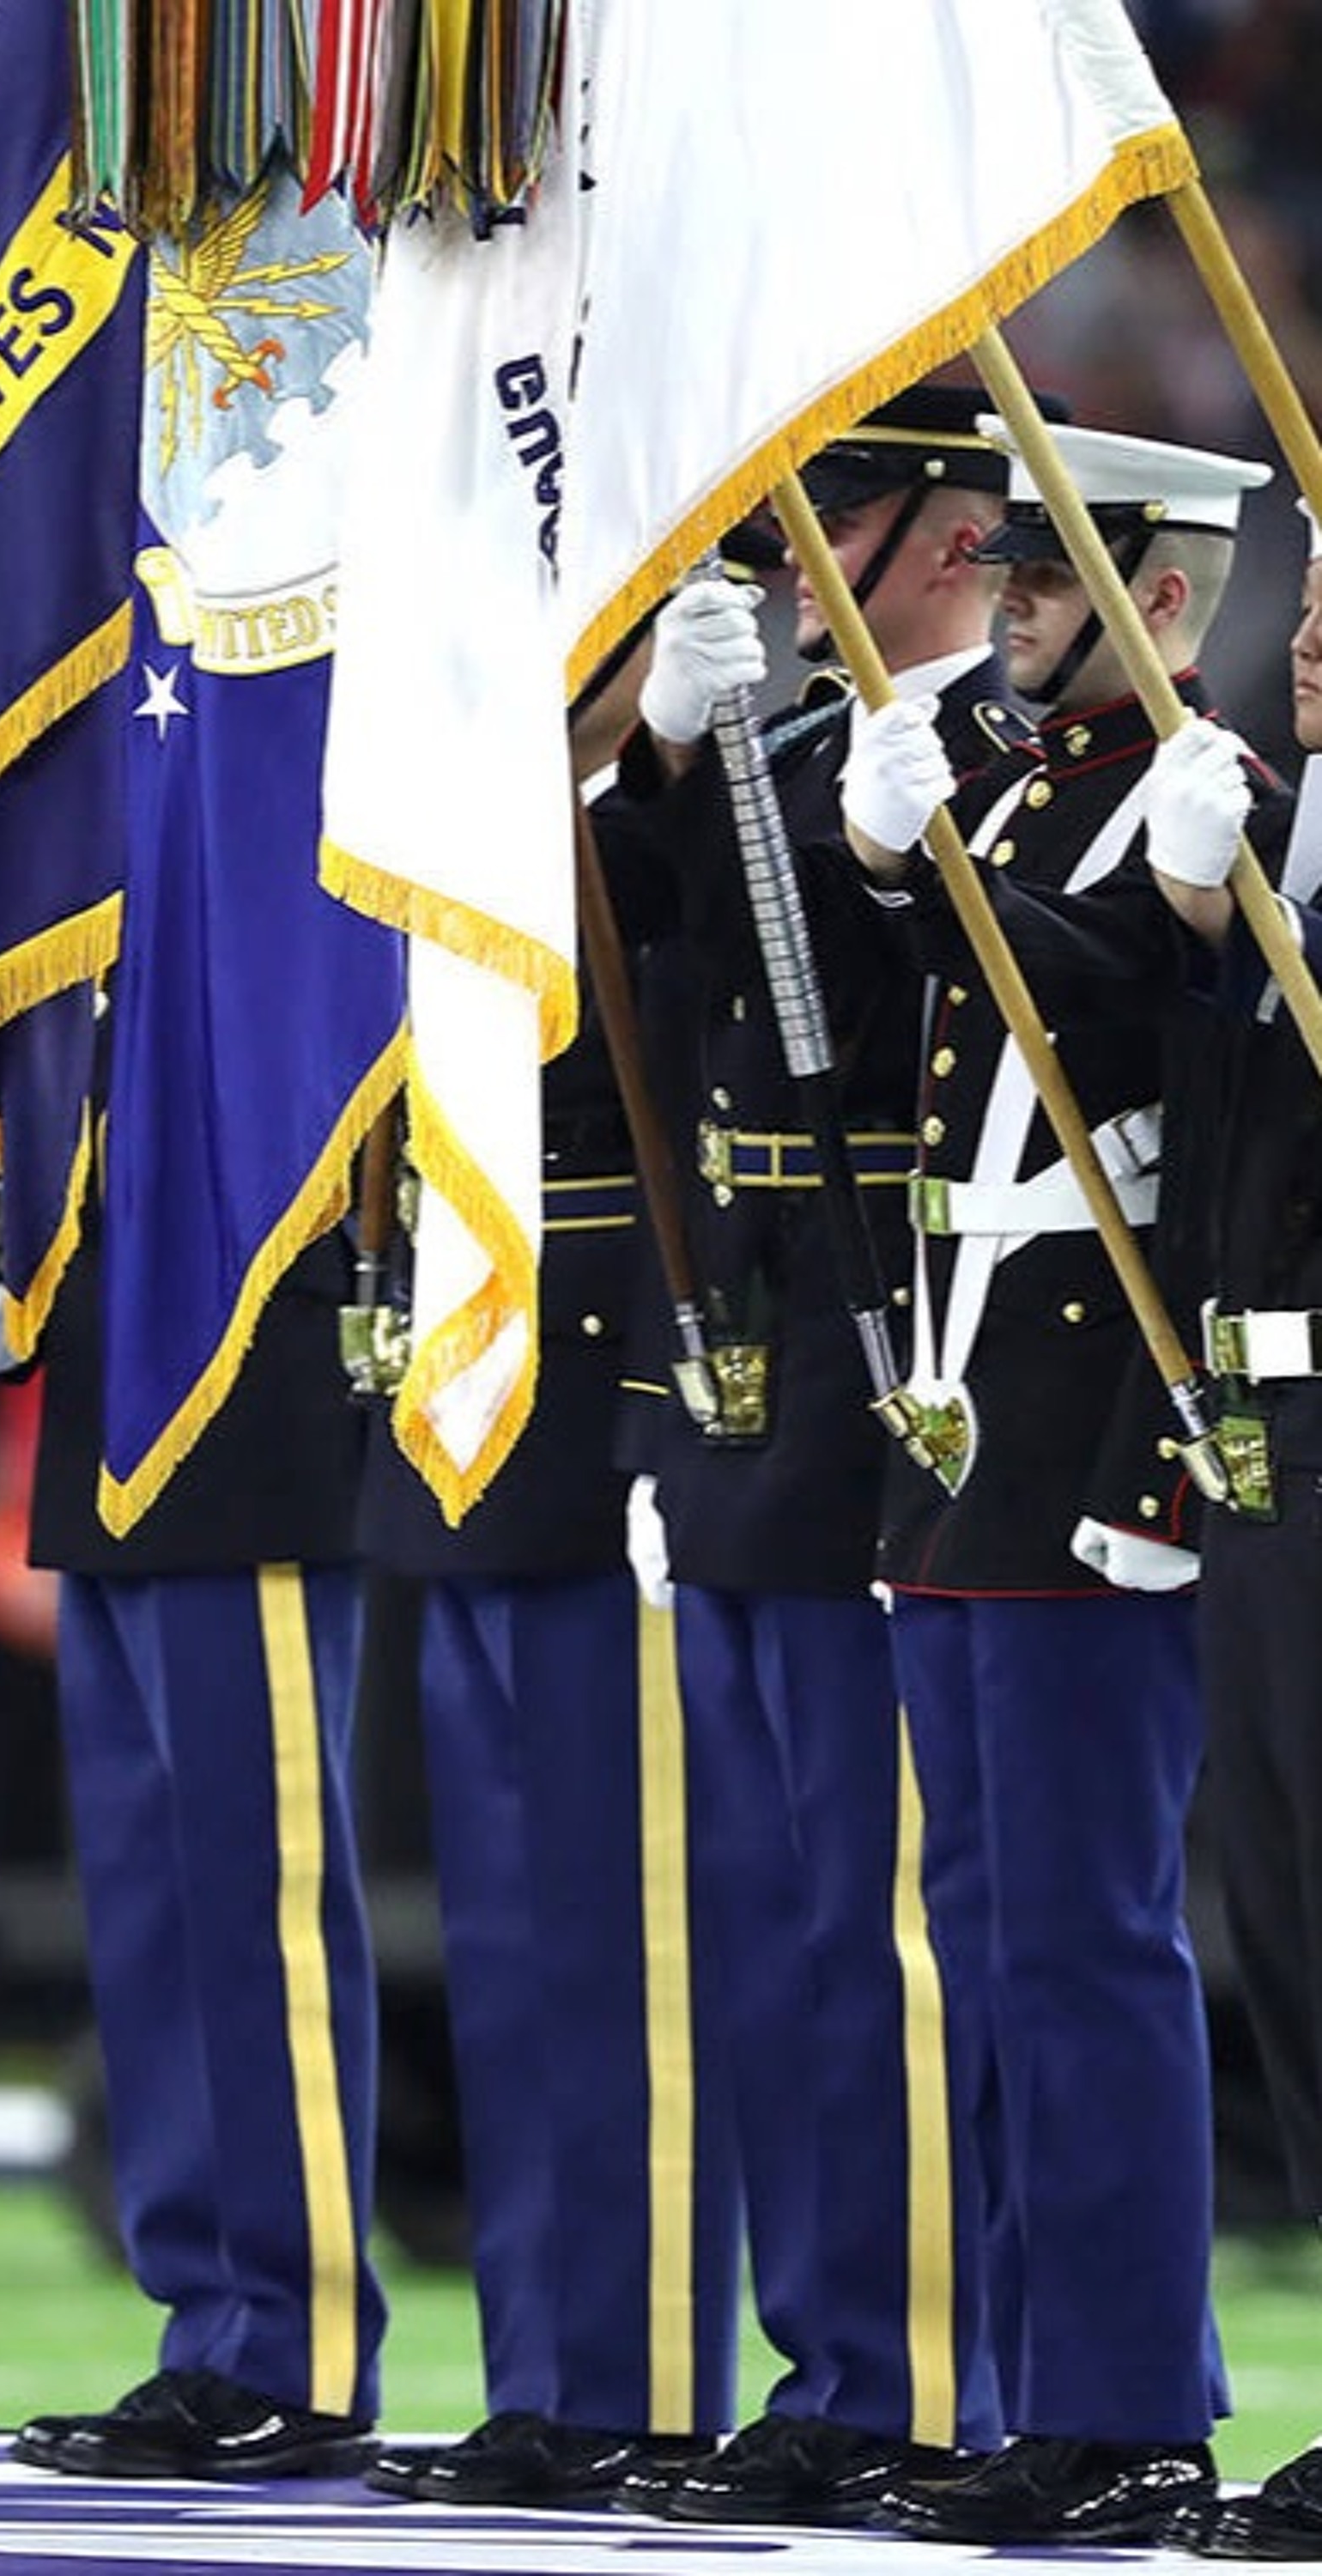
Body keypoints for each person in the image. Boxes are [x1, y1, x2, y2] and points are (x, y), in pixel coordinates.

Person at [837, 419, 1274, 2545]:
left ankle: (1127, 2407)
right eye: (1004, 573)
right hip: (964, 1407)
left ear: (1156, 599)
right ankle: (1031, 2386)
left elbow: (1131, 1017)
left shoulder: (1199, 797)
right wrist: (880, 854)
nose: (1002, 604)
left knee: (1088, 1937)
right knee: (984, 1934)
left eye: (1042, 579)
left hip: (1093, 1416)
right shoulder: (1015, 786)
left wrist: (939, 876)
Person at [603, 387, 1028, 2524]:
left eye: (843, 508)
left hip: (891, 1365)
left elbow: (893, 1027)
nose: (797, 549)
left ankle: (933, 2371)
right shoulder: (773, 753)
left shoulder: (1010, 768)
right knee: (775, 1916)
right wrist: (667, 758)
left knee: (897, 1918)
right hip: (747, 1361)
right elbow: (631, 956)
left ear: (953, 535)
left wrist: (874, 858)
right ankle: (835, 2352)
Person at [359, 635, 737, 2510]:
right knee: (507, 1931)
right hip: (470, 1369)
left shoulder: (699, 807)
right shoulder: (445, 825)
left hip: (610, 1380)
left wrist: (661, 767)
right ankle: (548, 2368)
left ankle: (644, 2370)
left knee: (624, 1924)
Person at [7, 1160, 383, 2482]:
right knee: (150, 1907)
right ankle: (212, 2325)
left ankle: (292, 2345)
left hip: (253, 1342)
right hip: (110, 1347)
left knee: (256, 1902)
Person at [1125, 513, 1322, 2564]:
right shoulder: (1268, 852)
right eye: (1321, 602)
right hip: (1273, 1433)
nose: (1320, 644)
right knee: (1290, 1918)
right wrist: (1195, 925)